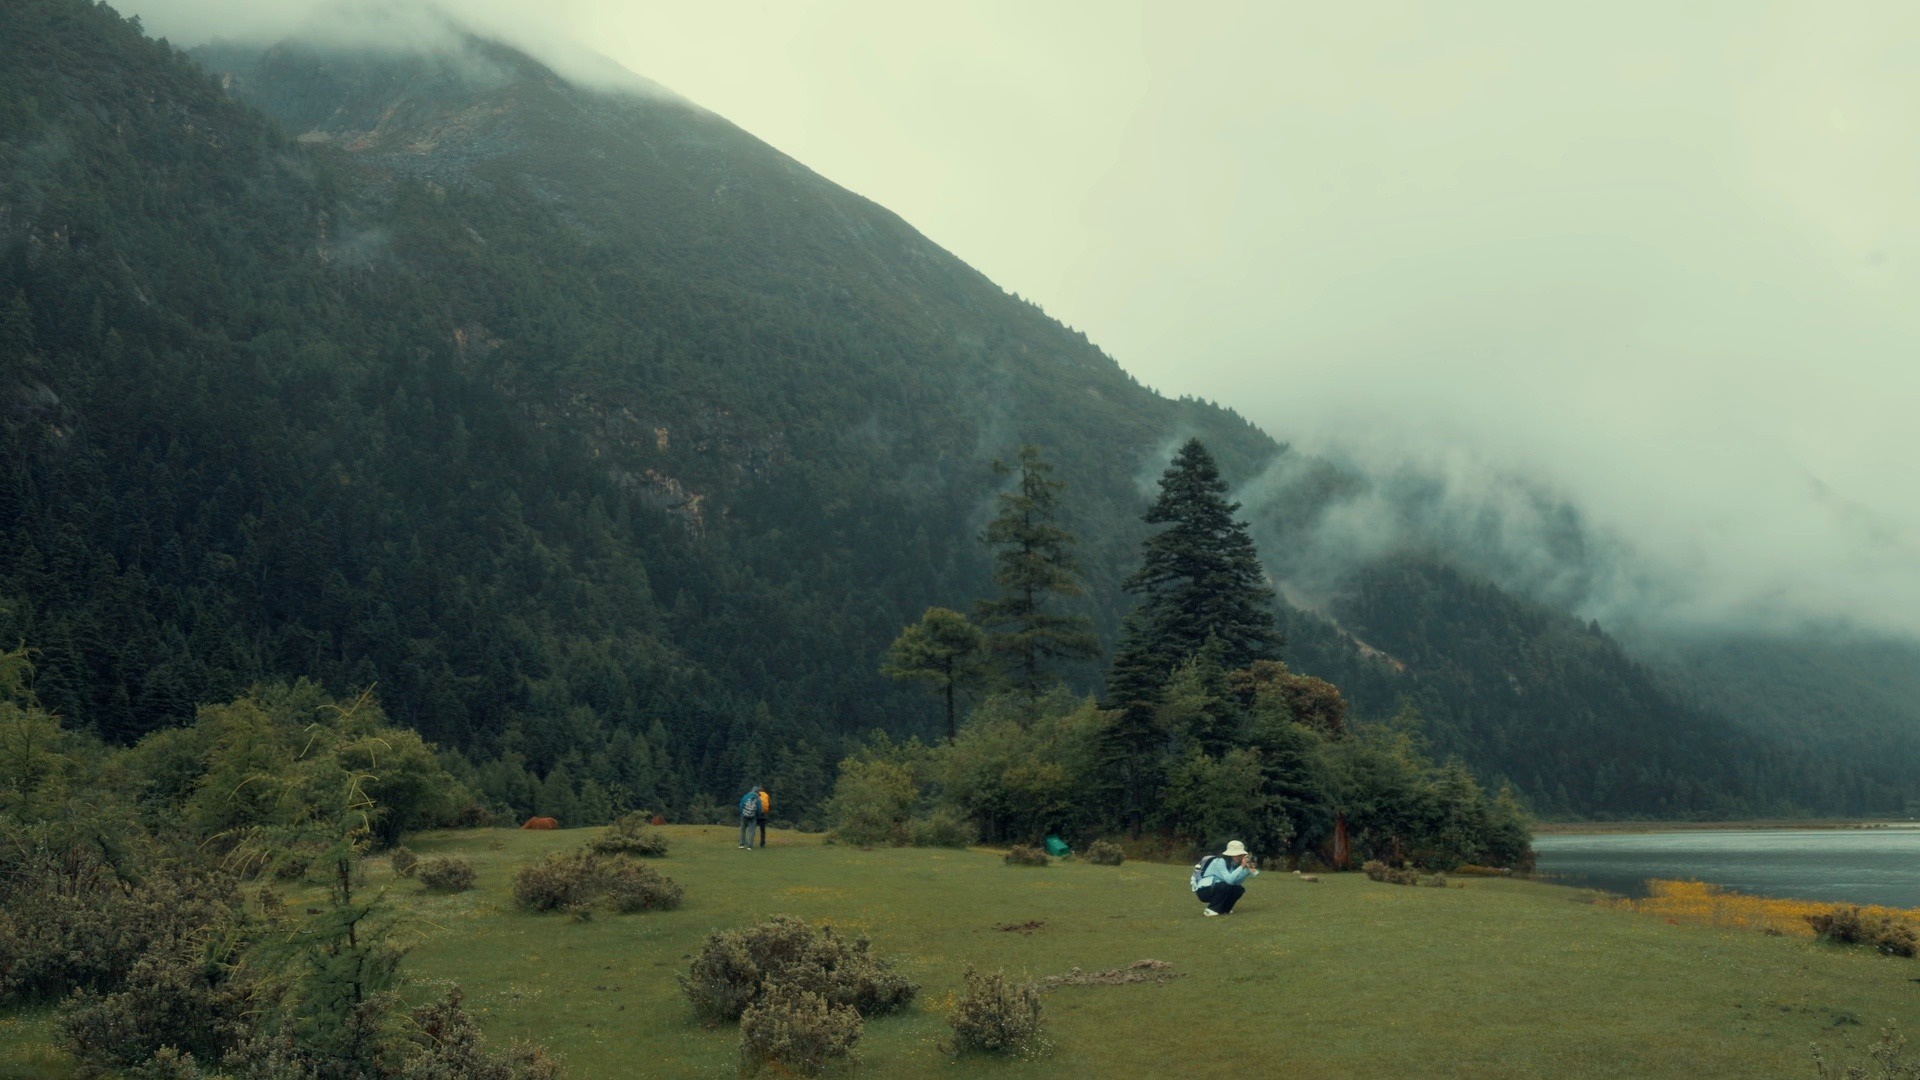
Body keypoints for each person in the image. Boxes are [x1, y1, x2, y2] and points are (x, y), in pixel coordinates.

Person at [1193, 840, 1260, 916]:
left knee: (1238, 889)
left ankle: (1225, 909)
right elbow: (1229, 880)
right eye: (1236, 854)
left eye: (1240, 855)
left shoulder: (1234, 864)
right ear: (1230, 855)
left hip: (1217, 887)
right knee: (1225, 886)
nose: (1239, 857)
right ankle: (1210, 910)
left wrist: (1247, 871)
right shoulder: (1220, 861)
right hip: (1204, 890)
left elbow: (1236, 883)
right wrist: (1241, 866)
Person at [738, 784, 769, 849]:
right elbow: (759, 808)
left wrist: (743, 812)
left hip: (744, 815)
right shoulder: (757, 798)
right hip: (753, 816)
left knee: (743, 830)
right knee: (751, 831)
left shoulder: (746, 796)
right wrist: (757, 815)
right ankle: (750, 846)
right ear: (757, 792)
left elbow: (741, 805)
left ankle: (742, 844)